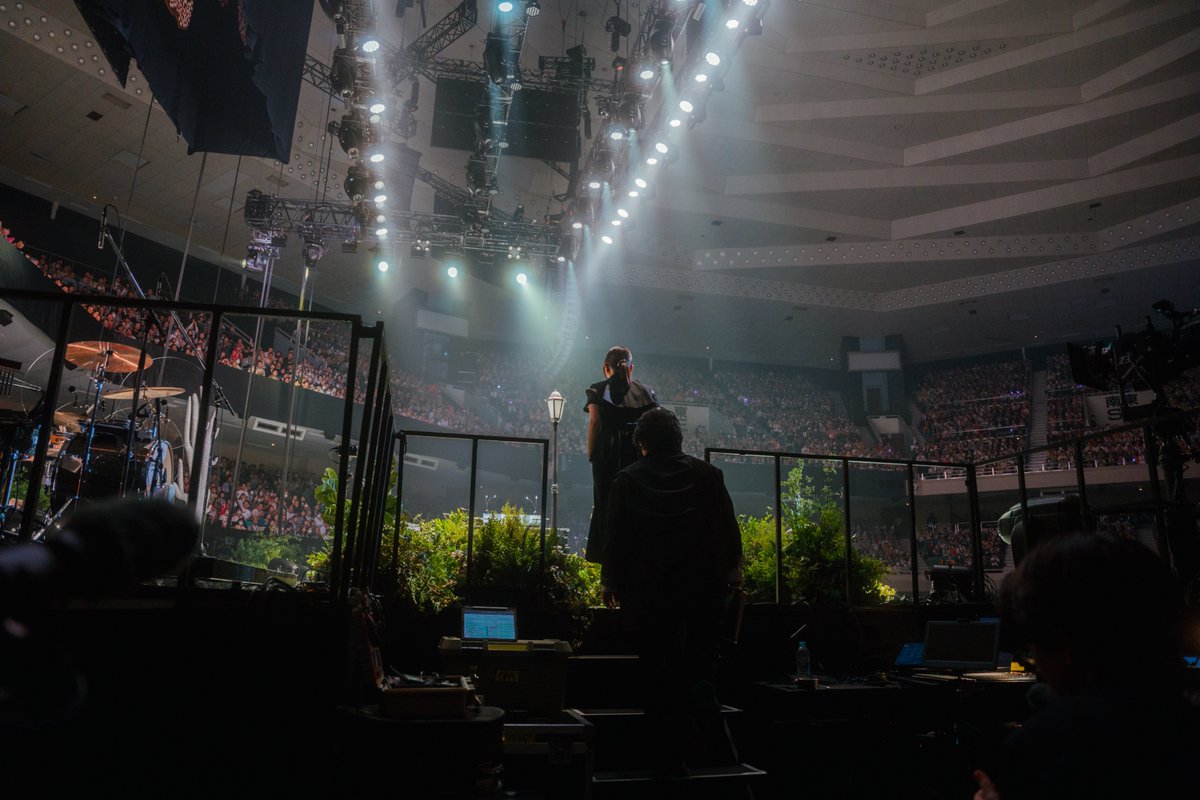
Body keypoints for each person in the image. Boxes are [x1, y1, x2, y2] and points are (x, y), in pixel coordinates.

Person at [971, 530, 1199, 800]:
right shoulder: (1185, 724)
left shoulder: (1041, 749)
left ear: (1065, 646)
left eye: (1034, 651)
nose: (1038, 668)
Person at [603, 407, 744, 779]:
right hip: (702, 598)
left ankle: (666, 762)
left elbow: (615, 539)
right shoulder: (709, 476)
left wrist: (611, 583)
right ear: (678, 438)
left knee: (656, 678)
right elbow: (729, 532)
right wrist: (732, 574)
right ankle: (717, 759)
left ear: (642, 442)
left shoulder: (626, 480)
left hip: (650, 602)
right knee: (698, 673)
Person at [583, 345, 657, 584]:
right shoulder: (646, 393)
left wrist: (591, 452)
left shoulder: (597, 389)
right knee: (635, 505)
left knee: (605, 504)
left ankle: (607, 568)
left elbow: (595, 422)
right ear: (630, 367)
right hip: (636, 455)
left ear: (606, 368)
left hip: (607, 452)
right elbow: (651, 427)